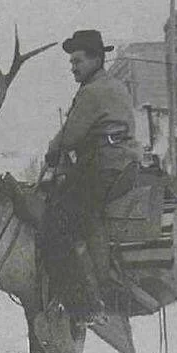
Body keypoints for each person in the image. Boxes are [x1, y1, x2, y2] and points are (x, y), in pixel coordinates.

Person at [41, 29, 141, 323]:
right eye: (71, 62)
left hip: (104, 165)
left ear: (97, 59)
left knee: (55, 225)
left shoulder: (92, 91)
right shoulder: (113, 85)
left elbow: (70, 136)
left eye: (78, 61)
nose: (73, 67)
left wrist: (51, 152)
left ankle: (86, 302)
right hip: (122, 162)